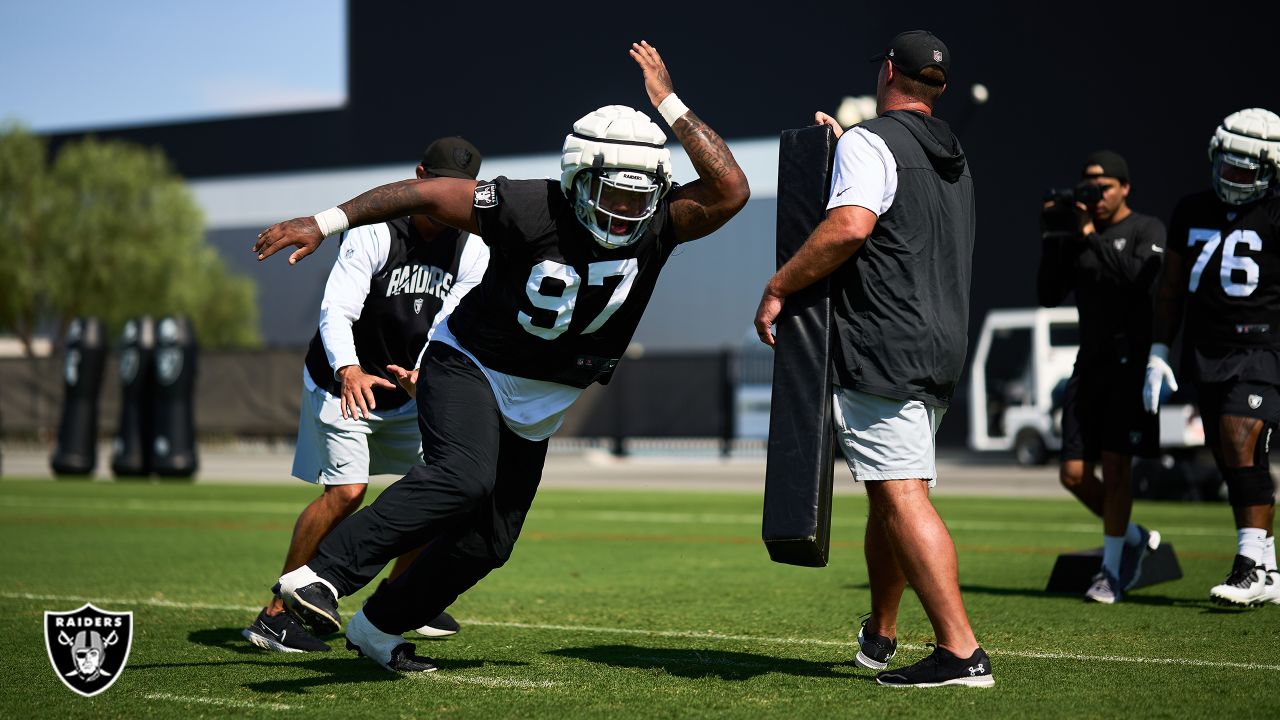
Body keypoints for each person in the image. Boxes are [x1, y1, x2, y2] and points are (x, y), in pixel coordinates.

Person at [252, 41, 750, 672]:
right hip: (471, 364)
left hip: (542, 396)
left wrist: (669, 104)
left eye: (638, 193)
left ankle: (378, 629)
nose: (626, 209)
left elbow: (731, 186)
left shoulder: (663, 220)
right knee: (463, 476)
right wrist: (324, 223)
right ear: (576, 178)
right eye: (611, 192)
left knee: (489, 542)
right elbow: (423, 195)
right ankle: (322, 574)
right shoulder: (527, 204)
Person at [754, 30, 993, 688]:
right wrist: (846, 144)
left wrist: (779, 286)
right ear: (937, 87)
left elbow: (853, 225)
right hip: (941, 345)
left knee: (901, 494)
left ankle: (960, 651)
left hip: (884, 344)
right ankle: (881, 634)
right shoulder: (953, 154)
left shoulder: (872, 144)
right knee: (890, 494)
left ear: (888, 71)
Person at [242, 137, 490, 653]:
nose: (446, 195)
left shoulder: (474, 243)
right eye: (439, 182)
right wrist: (349, 368)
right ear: (419, 175)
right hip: (343, 379)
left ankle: (400, 599)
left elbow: (451, 321)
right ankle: (275, 615)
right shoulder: (378, 230)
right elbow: (337, 309)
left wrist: (424, 372)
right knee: (347, 493)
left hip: (407, 386)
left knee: (442, 490)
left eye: (459, 188)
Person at [1146, 107, 1280, 607]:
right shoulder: (1191, 210)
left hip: (1261, 346)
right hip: (1207, 349)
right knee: (1231, 458)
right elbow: (1171, 289)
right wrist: (1160, 348)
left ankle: (1248, 567)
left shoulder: (1275, 214)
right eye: (1227, 166)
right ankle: (1267, 566)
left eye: (1244, 172)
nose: (1232, 179)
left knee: (1239, 436)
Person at [1037, 150, 1166, 604]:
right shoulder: (1079, 234)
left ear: (1125, 187)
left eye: (1104, 187)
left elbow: (1137, 284)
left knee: (1116, 471)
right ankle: (1133, 537)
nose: (1095, 196)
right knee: (1072, 474)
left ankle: (1110, 573)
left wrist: (1090, 235)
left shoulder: (1146, 229)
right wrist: (1054, 237)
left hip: (1128, 365)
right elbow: (1048, 295)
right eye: (1088, 187)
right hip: (1088, 364)